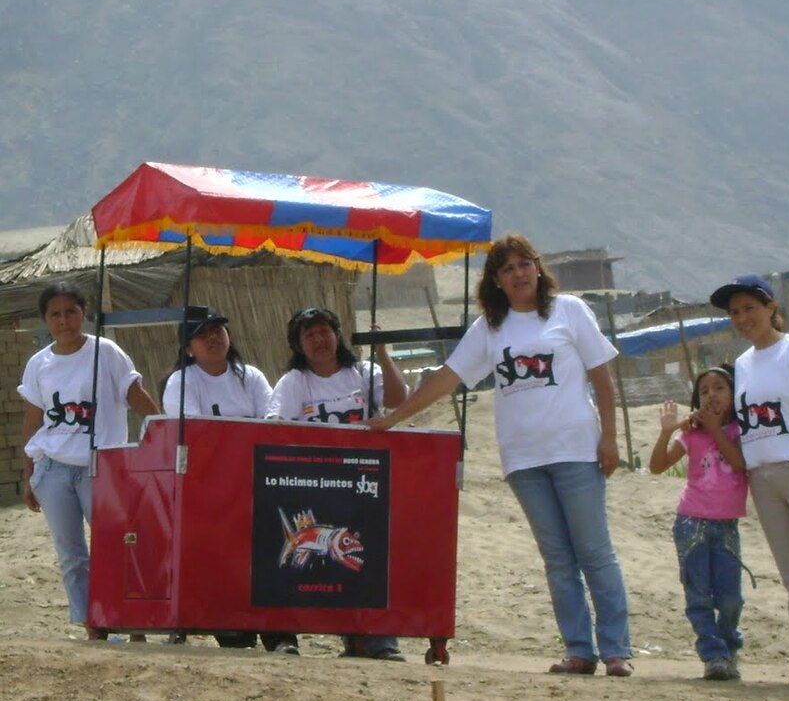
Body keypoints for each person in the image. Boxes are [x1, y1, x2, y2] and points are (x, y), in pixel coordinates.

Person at [369, 234, 634, 676]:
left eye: (524, 264)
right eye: (507, 269)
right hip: (524, 460)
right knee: (557, 558)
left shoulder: (570, 310)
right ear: (496, 280)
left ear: (537, 267)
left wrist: (610, 438)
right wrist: (395, 417)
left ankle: (616, 650)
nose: (518, 274)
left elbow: (602, 379)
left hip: (575, 450)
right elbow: (447, 378)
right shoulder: (489, 327)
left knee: (594, 551)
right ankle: (579, 650)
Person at [18, 281, 160, 640]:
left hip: (103, 466)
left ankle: (131, 618)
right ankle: (93, 622)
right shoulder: (39, 364)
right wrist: (28, 472)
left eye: (70, 311)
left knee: (116, 544)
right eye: (55, 314)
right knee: (71, 554)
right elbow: (33, 420)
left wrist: (162, 430)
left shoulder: (106, 353)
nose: (64, 320)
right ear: (45, 320)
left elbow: (135, 395)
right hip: (52, 468)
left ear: (84, 313)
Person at [267, 306, 408, 661]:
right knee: (298, 563)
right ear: (299, 345)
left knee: (367, 559)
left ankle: (377, 641)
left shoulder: (363, 373)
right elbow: (275, 426)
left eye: (324, 332)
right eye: (309, 335)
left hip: (363, 486)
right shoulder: (294, 382)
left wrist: (381, 353)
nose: (319, 340)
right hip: (309, 484)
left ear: (337, 334)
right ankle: (287, 636)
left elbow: (397, 400)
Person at [161, 310, 291, 652]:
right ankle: (234, 633)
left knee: (270, 557)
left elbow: (272, 422)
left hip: (258, 485)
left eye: (218, 330)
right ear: (189, 348)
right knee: (221, 560)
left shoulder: (252, 377)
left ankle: (280, 635)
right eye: (203, 334)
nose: (214, 338)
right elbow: (190, 432)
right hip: (210, 490)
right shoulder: (181, 382)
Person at [710, 274, 789, 685]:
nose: (743, 317)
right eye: (735, 312)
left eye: (750, 308)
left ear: (770, 308)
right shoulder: (742, 365)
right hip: (763, 479)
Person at [648, 367, 748, 680]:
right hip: (691, 522)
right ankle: (714, 654)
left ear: (734, 395)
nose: (712, 395)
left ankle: (728, 646)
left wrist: (716, 428)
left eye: (720, 388)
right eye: (704, 391)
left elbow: (739, 463)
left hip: (727, 524)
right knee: (699, 595)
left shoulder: (740, 431)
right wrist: (667, 431)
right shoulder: (691, 434)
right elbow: (657, 466)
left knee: (731, 597)